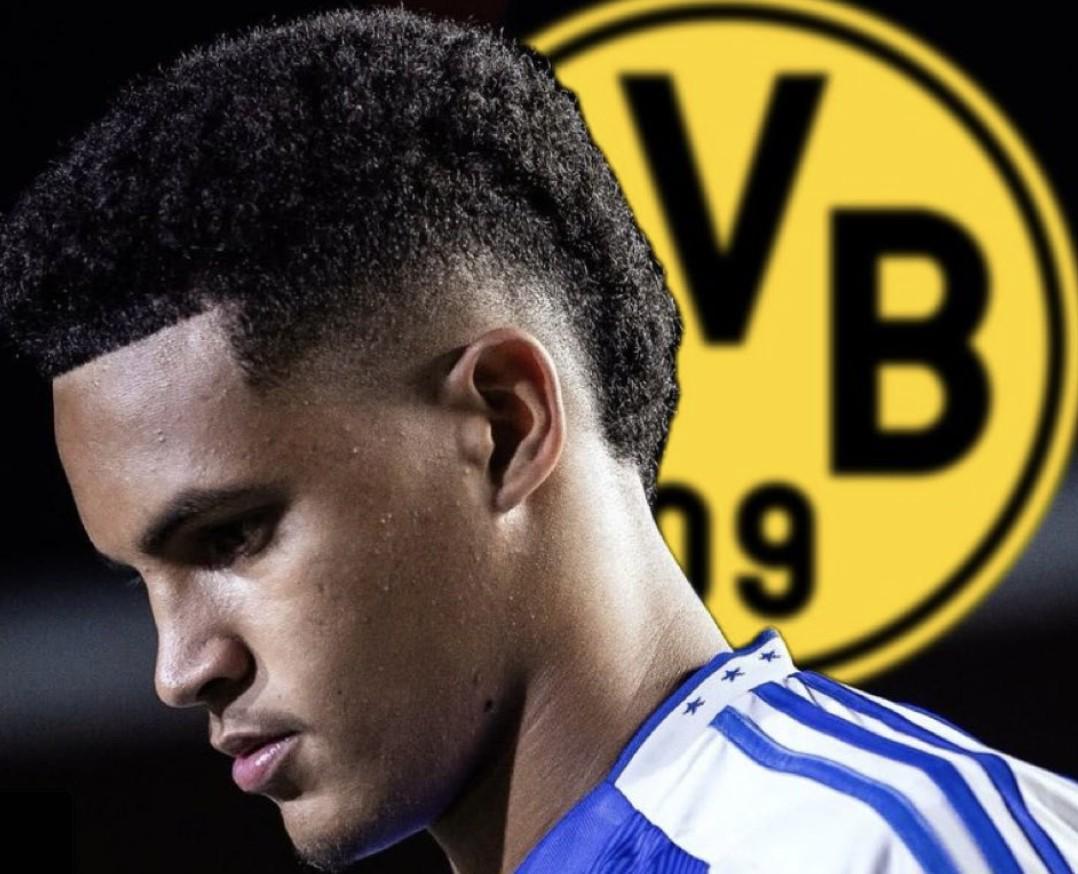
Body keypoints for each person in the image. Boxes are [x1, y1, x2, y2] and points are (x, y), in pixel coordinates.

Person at [2, 7, 1075, 873]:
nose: (180, 670)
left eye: (232, 537)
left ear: (505, 423)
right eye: (141, 578)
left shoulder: (871, 850)